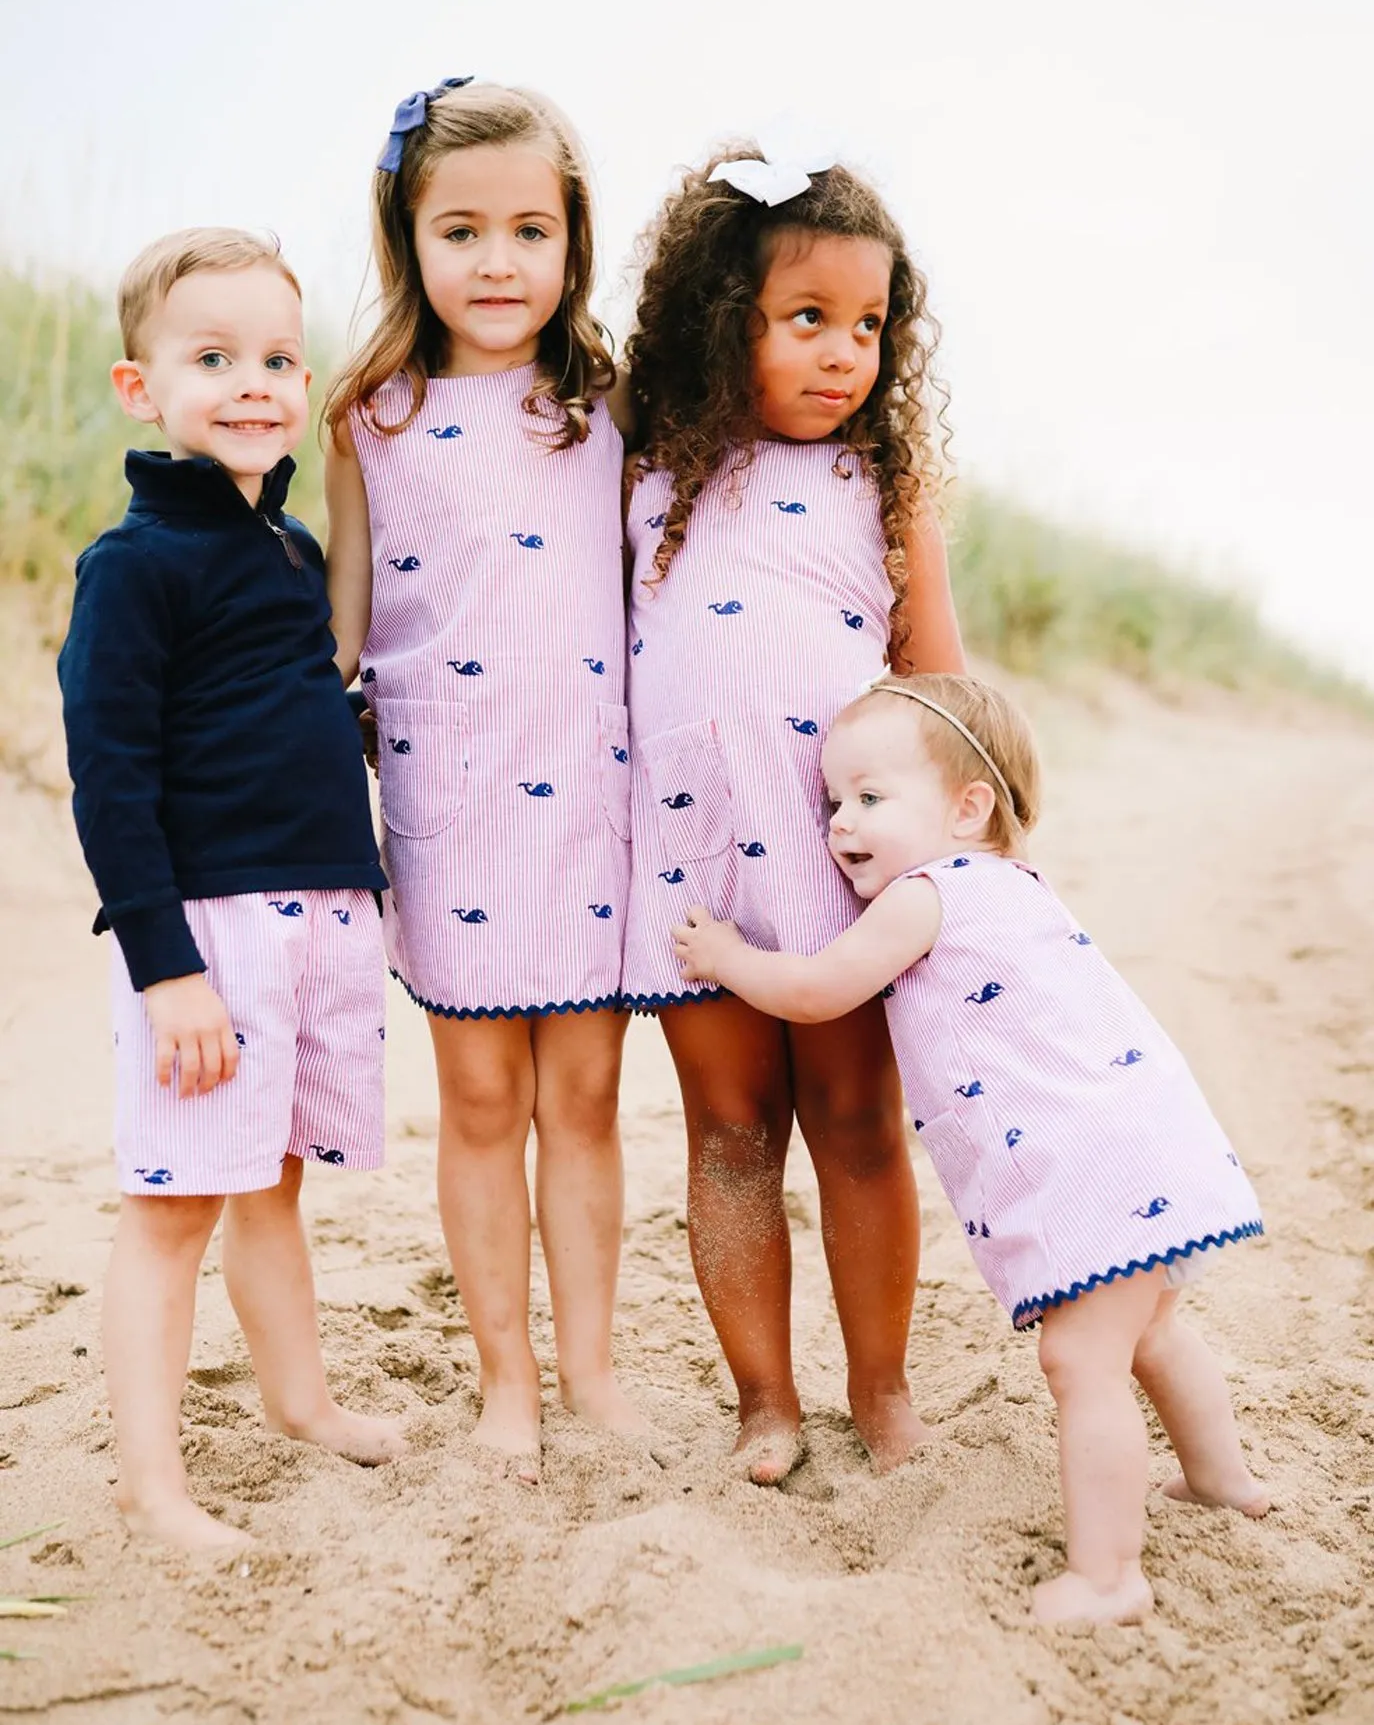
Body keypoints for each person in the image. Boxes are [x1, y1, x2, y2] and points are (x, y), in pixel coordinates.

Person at [672, 671, 1269, 1623]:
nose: (838, 822)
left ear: (968, 806)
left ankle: (1109, 1575)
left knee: (1083, 1363)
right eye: (833, 800)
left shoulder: (925, 895)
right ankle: (1220, 1476)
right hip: (1147, 1140)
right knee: (1152, 1328)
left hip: (1085, 1170)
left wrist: (726, 957)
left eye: (870, 798)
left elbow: (823, 988)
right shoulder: (1015, 883)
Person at [617, 146, 966, 1482]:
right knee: (730, 1136)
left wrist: (975, 844)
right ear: (726, 320)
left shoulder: (887, 487)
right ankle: (765, 1397)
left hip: (845, 864)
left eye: (868, 326)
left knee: (862, 1126)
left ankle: (879, 1391)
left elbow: (937, 682)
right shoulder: (649, 474)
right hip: (694, 861)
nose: (841, 353)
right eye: (805, 318)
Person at [58, 228, 403, 1551]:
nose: (252, 381)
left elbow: (282, 705)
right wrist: (166, 967)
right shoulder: (134, 565)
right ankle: (154, 1487)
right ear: (141, 387)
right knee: (171, 1205)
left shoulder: (287, 548)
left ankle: (300, 1401)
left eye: (274, 357)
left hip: (315, 912)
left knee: (272, 1181)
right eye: (212, 357)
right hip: (208, 931)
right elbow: (111, 776)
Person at [323, 79, 640, 1483]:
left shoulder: (605, 402)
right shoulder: (366, 415)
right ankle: (502, 1381)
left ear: (572, 240)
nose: (498, 261)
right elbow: (338, 626)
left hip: (589, 797)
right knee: (475, 1106)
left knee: (582, 1104)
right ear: (409, 235)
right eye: (462, 230)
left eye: (529, 229)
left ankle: (590, 1374)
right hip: (446, 800)